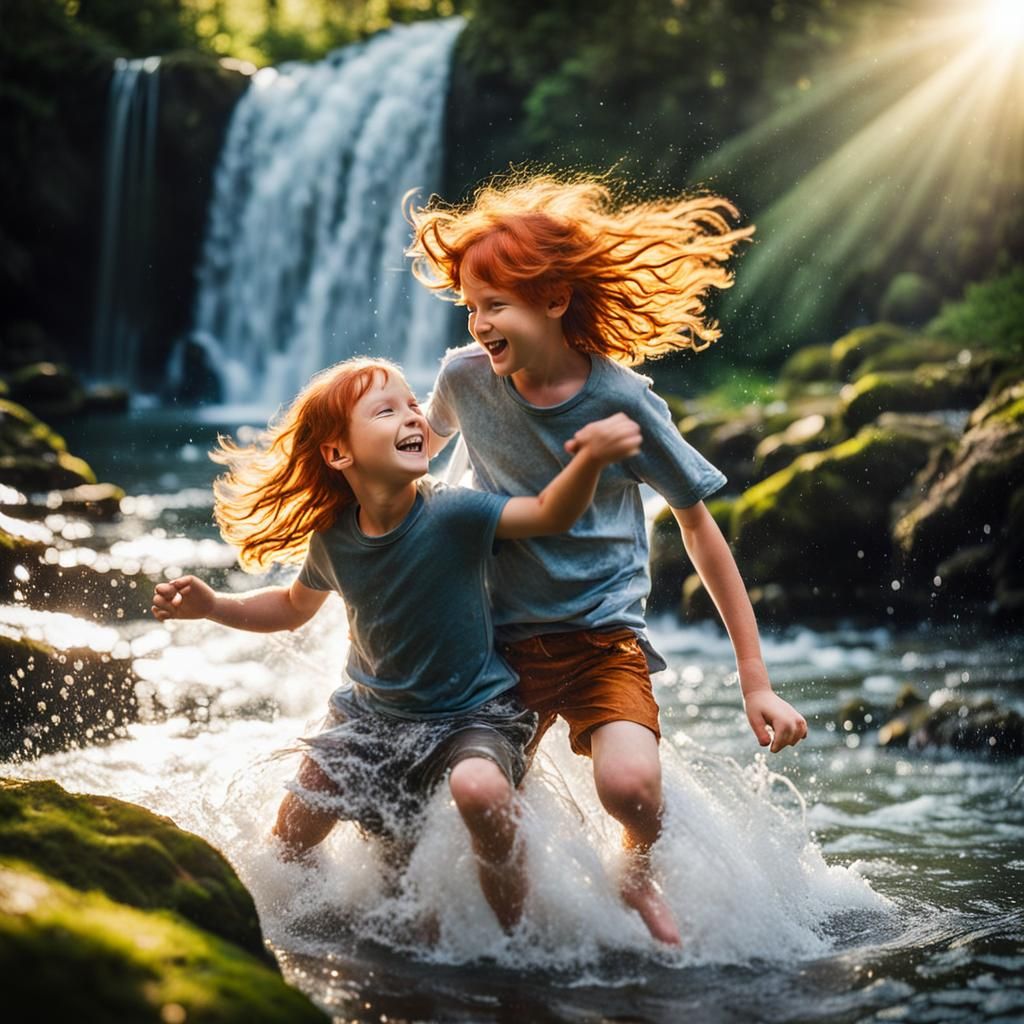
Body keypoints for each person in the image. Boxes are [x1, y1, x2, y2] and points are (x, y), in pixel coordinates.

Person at [406, 173, 809, 946]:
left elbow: (698, 527)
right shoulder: (464, 377)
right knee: (471, 791)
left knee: (632, 790)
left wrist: (754, 679)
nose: (477, 324)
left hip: (600, 642)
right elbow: (417, 451)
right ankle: (503, 924)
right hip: (493, 644)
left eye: (495, 305)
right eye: (469, 306)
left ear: (554, 299)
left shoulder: (622, 403)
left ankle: (634, 866)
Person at [151, 356, 641, 932]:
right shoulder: (334, 538)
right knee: (292, 832)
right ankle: (304, 932)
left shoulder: (453, 512)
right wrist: (213, 608)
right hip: (369, 720)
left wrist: (589, 459)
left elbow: (549, 513)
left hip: (473, 713)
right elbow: (289, 608)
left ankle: (515, 938)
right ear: (339, 453)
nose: (414, 416)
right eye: (388, 410)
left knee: (480, 791)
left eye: (414, 404)